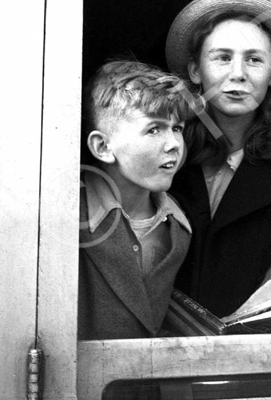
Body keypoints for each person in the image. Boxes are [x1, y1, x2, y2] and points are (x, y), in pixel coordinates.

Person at [165, 0, 271, 318]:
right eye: (222, 57)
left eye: (254, 59)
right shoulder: (165, 160)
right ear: (196, 71)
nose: (238, 74)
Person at [77, 60, 192, 339]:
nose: (174, 144)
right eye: (154, 129)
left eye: (177, 128)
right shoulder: (70, 215)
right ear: (103, 147)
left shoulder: (179, 225)